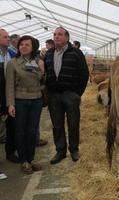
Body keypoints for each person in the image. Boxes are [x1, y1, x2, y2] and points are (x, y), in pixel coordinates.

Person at [43, 27, 89, 164]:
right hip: (54, 95)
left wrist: (77, 93)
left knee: (73, 123)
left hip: (70, 94)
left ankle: (74, 150)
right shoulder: (49, 54)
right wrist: (49, 94)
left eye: (60, 34)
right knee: (57, 125)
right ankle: (60, 151)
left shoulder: (76, 53)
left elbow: (84, 74)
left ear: (67, 38)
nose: (56, 37)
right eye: (55, 34)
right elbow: (45, 74)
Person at [6, 35, 44, 174]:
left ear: (33, 47)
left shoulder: (36, 61)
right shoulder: (13, 63)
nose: (23, 47)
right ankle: (24, 161)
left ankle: (31, 158)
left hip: (36, 100)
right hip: (20, 100)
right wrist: (10, 104)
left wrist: (42, 70)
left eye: (27, 44)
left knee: (32, 131)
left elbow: (40, 81)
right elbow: (9, 85)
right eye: (21, 44)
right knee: (20, 131)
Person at [0, 29, 19, 164]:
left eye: (8, 37)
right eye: (5, 37)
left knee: (12, 126)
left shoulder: (11, 54)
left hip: (10, 94)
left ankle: (10, 153)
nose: (8, 39)